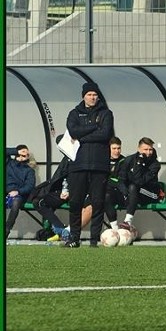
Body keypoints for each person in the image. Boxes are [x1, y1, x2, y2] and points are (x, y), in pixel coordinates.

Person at [65, 82, 114, 248]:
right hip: (78, 165)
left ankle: (94, 240)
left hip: (99, 166)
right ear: (83, 96)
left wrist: (82, 135)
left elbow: (105, 134)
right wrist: (93, 126)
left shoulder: (106, 114)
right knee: (75, 203)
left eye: (95, 94)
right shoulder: (74, 113)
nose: (92, 97)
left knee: (98, 203)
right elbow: (73, 132)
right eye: (89, 94)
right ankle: (74, 238)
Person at [106, 137, 161, 230]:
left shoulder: (155, 164)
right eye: (145, 149)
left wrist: (139, 163)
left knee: (133, 186)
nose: (148, 152)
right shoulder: (128, 160)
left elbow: (139, 181)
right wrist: (124, 191)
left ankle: (127, 221)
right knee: (107, 195)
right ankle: (114, 229)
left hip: (150, 194)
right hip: (132, 193)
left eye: (150, 149)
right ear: (139, 149)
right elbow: (121, 179)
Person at [5, 144, 36, 239]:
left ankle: (6, 230)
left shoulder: (29, 170)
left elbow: (30, 186)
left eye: (25, 155)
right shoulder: (8, 163)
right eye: (21, 154)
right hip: (5, 192)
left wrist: (17, 191)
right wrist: (17, 151)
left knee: (16, 202)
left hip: (19, 195)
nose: (22, 157)